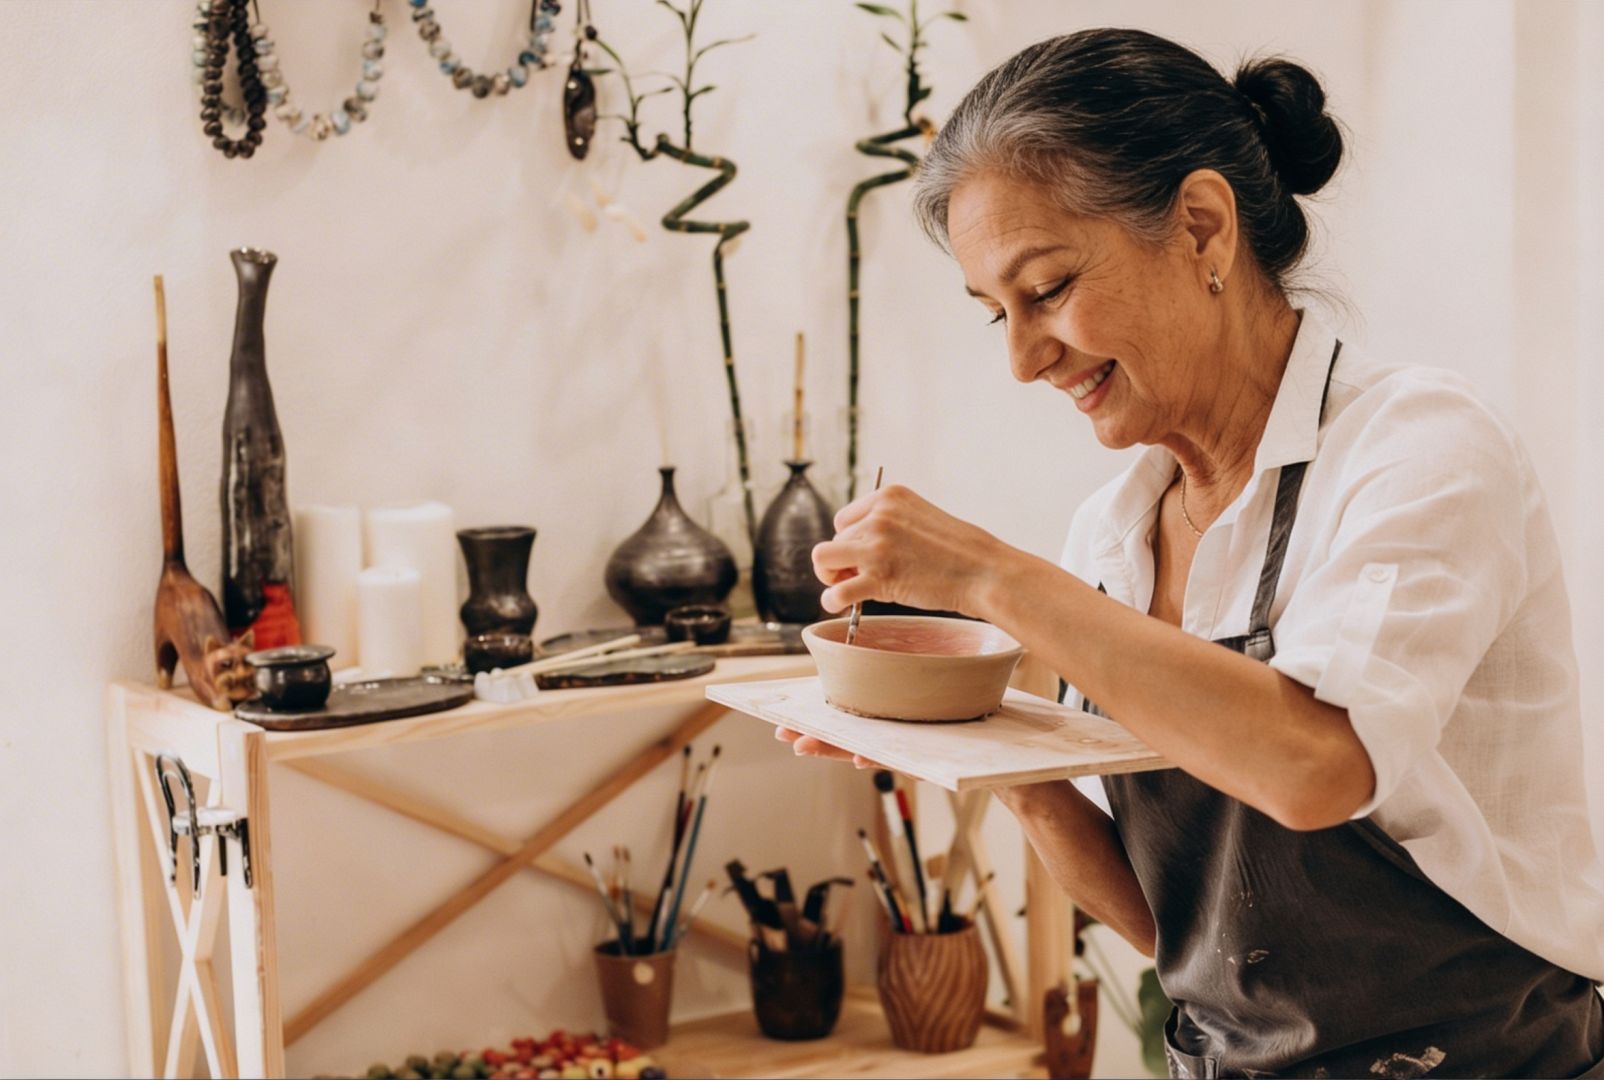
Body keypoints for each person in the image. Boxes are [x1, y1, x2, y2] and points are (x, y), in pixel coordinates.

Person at [779, 28, 1604, 1077]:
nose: (1025, 360)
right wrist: (989, 753)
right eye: (995, 314)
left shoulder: (1418, 450)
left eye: (1047, 289)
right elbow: (1179, 937)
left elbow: (1316, 767)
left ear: (1202, 228)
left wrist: (989, 576)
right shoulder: (1112, 537)